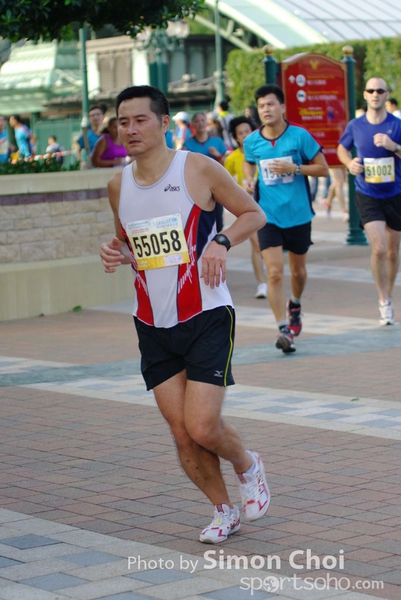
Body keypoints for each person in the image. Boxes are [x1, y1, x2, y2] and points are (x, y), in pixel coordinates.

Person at [100, 85, 269, 544]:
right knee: (181, 432)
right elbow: (131, 245)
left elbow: (253, 214)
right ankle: (223, 510)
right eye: (123, 122)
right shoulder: (118, 185)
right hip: (151, 321)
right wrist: (116, 253)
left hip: (206, 314)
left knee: (202, 425)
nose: (130, 129)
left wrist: (221, 242)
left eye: (140, 119)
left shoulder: (196, 167)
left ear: (163, 122)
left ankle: (248, 465)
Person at [243, 84, 329, 353]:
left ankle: (295, 304)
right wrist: (248, 179)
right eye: (261, 106)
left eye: (270, 104)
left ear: (282, 107)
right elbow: (248, 161)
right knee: (275, 272)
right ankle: (283, 329)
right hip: (268, 216)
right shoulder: (252, 141)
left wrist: (295, 168)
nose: (266, 109)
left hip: (299, 215)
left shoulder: (299, 136)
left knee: (299, 272)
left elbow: (323, 169)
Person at [338, 77, 401, 326]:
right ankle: (383, 299)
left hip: (395, 193)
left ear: (386, 94)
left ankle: (389, 293)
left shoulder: (396, 124)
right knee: (380, 248)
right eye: (371, 90)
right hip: (367, 193)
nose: (375, 94)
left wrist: (394, 146)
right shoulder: (356, 125)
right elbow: (342, 149)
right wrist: (349, 163)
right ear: (365, 95)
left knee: (393, 252)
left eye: (380, 90)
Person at [224, 116, 267, 299]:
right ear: (235, 137)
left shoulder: (263, 150)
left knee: (269, 245)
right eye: (240, 133)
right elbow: (225, 183)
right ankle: (262, 283)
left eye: (247, 131)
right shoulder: (232, 158)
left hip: (269, 202)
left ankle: (272, 274)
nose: (244, 136)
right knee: (256, 244)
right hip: (248, 207)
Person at [183, 112, 229, 232]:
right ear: (192, 124)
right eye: (197, 121)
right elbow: (183, 165)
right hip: (196, 186)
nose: (200, 123)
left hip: (216, 185)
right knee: (200, 220)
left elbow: (227, 163)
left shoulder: (217, 141)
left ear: (207, 122)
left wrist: (217, 155)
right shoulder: (188, 144)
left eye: (202, 120)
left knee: (218, 222)